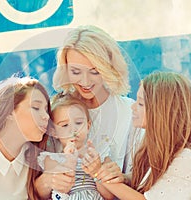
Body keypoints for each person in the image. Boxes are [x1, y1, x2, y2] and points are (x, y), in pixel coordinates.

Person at [35, 25, 136, 198]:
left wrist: (123, 178)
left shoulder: (129, 111)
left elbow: (142, 179)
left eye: (94, 71)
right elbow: (33, 185)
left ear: (109, 68)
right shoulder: (55, 110)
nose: (85, 81)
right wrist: (48, 180)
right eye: (75, 72)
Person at [100, 72, 191, 200]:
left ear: (161, 111)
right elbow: (153, 182)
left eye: (140, 103)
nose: (133, 107)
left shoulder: (187, 158)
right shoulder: (160, 147)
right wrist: (124, 178)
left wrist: (101, 176)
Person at [37, 93, 115, 199]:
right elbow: (49, 195)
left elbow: (109, 196)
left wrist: (96, 170)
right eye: (64, 125)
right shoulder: (51, 159)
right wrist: (68, 160)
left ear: (88, 126)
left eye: (78, 123)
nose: (73, 130)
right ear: (54, 132)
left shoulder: (101, 156)